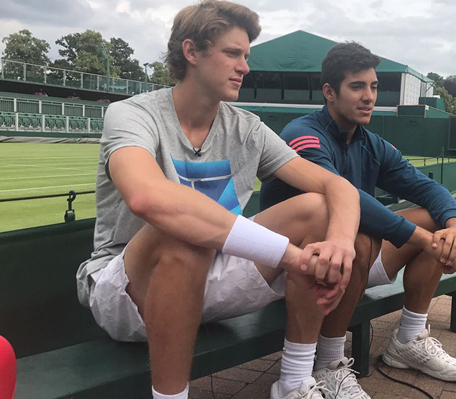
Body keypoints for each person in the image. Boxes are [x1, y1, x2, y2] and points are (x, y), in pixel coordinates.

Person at [76, 3, 364, 399]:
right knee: (183, 231)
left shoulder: (247, 127)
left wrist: (340, 245)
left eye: (246, 56)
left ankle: (295, 382)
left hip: (215, 280)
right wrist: (295, 258)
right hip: (129, 293)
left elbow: (339, 188)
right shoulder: (131, 114)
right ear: (192, 52)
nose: (244, 66)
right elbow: (147, 198)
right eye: (232, 53)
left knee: (318, 208)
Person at [260, 42, 456, 398]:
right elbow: (347, 198)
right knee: (361, 236)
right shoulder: (302, 134)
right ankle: (328, 364)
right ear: (329, 91)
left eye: (374, 87)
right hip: (291, 268)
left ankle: (407, 342)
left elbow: (426, 188)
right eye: (357, 86)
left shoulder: (371, 143)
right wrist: (423, 241)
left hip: (345, 263)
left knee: (435, 222)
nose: (369, 96)